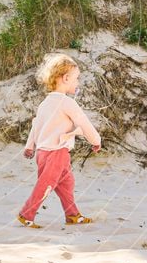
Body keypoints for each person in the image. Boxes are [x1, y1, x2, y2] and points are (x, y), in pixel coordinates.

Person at [18, 53, 101, 228]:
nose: (78, 83)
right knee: (45, 185)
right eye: (76, 79)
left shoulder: (45, 103)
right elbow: (84, 123)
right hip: (57, 152)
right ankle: (26, 214)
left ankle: (72, 215)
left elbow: (36, 126)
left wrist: (29, 146)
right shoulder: (67, 103)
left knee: (66, 183)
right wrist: (95, 140)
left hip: (43, 152)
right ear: (65, 78)